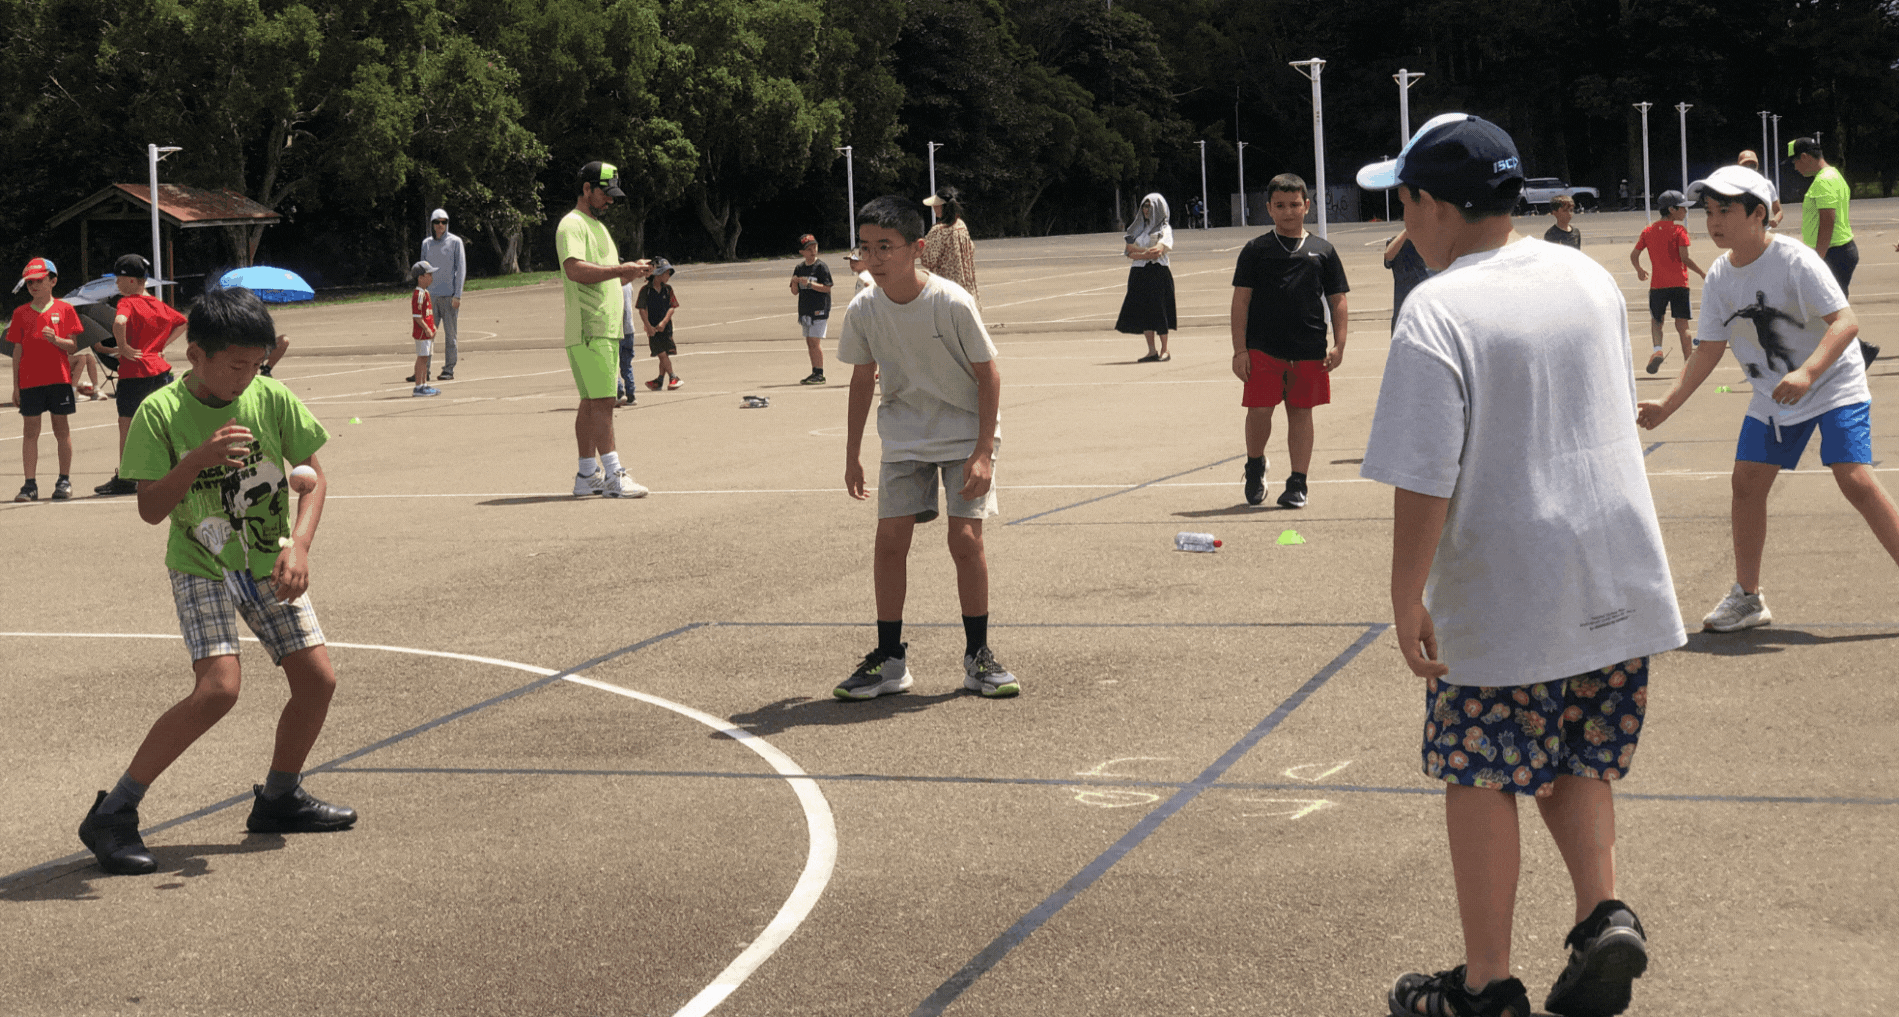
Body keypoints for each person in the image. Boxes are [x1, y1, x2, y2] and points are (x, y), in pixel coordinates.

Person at [1357, 112, 1685, 1017]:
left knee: (1481, 767)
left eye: (1402, 201)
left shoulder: (1438, 308)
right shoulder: (1584, 277)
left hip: (1506, 586)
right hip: (1612, 571)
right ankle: (1601, 914)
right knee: (1580, 750)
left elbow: (1424, 472)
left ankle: (1485, 983)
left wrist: (1405, 594)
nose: (1401, 221)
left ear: (1433, 204)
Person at [77, 284, 356, 877]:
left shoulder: (270, 397)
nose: (246, 377)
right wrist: (197, 460)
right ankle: (114, 811)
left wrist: (301, 546)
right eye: (235, 365)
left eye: (256, 364)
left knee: (317, 681)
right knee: (219, 689)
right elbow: (151, 509)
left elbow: (314, 477)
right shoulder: (159, 412)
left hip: (268, 559)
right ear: (195, 355)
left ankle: (279, 798)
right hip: (201, 561)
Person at [1638, 164, 1899, 634]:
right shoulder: (1720, 275)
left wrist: (1808, 372)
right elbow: (1708, 349)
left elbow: (1846, 322)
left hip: (1832, 382)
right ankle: (1748, 597)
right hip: (1774, 392)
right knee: (1746, 483)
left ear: (1759, 214)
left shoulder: (1795, 260)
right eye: (1709, 212)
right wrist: (1666, 404)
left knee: (1855, 479)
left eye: (1725, 211)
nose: (1714, 222)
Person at [835, 195, 1018, 701]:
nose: (874, 258)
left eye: (885, 247)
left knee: (965, 539)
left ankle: (978, 656)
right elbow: (861, 379)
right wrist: (852, 454)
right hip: (904, 434)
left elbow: (989, 375)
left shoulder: (950, 301)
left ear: (917, 248)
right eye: (865, 247)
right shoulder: (864, 308)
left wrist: (982, 451)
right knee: (890, 541)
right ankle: (889, 659)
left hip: (963, 431)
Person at [1229, 173, 1349, 509]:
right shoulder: (1256, 251)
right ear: (1269, 208)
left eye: (1294, 204)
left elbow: (1338, 300)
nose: (1288, 211)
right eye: (1280, 205)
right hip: (1263, 349)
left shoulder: (1323, 251)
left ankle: (1298, 483)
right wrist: (1240, 350)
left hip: (1309, 349)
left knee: (1300, 413)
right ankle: (1255, 465)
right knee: (1259, 411)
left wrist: (1339, 344)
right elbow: (1241, 301)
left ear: (1307, 205)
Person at [556, 160, 652, 498]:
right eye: (605, 193)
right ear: (586, 189)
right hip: (591, 328)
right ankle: (614, 475)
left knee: (591, 402)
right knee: (604, 402)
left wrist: (630, 272)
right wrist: (619, 270)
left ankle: (587, 475)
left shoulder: (598, 228)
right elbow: (575, 270)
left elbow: (606, 276)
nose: (610, 200)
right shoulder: (572, 224)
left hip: (602, 328)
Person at [95, 254, 189, 496]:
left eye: (119, 279)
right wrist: (162, 345)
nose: (117, 283)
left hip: (135, 372)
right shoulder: (158, 304)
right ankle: (170, 470)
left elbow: (119, 322)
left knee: (127, 424)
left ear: (132, 281)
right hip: (160, 371)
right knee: (163, 423)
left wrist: (123, 346)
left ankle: (127, 477)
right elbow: (182, 322)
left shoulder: (127, 302)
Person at [1791, 136, 1879, 368]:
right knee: (1826, 311)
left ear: (1805, 157)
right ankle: (1855, 353)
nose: (1795, 168)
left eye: (1795, 162)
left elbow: (1827, 220)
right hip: (1837, 252)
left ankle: (1858, 353)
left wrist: (1818, 258)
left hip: (1832, 254)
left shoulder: (1824, 180)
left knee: (1826, 312)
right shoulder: (1833, 175)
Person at [7, 257, 83, 501]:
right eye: (29, 282)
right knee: (30, 432)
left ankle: (64, 480)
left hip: (59, 379)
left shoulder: (65, 309)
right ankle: (29, 484)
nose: (34, 286)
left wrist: (56, 340)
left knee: (61, 429)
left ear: (53, 281)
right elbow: (17, 350)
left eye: (39, 281)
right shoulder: (20, 313)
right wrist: (16, 385)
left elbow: (73, 346)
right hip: (30, 381)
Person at [1629, 191, 1706, 375]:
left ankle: (1658, 350)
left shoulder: (1648, 231)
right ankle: (1688, 364)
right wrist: (1703, 273)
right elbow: (1685, 258)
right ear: (1672, 209)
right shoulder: (1679, 231)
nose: (1685, 211)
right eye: (1683, 208)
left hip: (1658, 285)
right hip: (1680, 284)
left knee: (1657, 321)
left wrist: (1639, 269)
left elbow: (1634, 254)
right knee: (1683, 326)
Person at [1115, 192, 1178, 363]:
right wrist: (1145, 254)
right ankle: (1151, 350)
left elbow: (1159, 251)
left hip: (1158, 272)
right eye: (1144, 206)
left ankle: (1165, 349)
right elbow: (1128, 250)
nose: (1146, 210)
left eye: (1150, 207)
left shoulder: (1164, 229)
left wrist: (1140, 253)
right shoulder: (1134, 228)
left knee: (1160, 310)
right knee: (1143, 311)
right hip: (1138, 272)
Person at [419, 208, 466, 380]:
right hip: (431, 296)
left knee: (450, 335)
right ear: (432, 224)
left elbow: (460, 269)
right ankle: (425, 369)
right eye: (437, 222)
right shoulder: (426, 244)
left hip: (449, 296)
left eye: (443, 222)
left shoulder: (455, 242)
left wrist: (457, 295)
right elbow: (423, 270)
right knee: (427, 335)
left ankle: (449, 369)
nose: (440, 225)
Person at [920, 186, 979, 303]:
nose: (933, 207)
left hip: (946, 289)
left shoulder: (939, 231)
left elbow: (928, 260)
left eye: (935, 205)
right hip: (965, 287)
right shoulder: (961, 225)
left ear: (941, 206)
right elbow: (971, 248)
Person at [791, 234, 834, 385]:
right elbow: (795, 292)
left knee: (815, 341)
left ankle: (820, 373)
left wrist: (810, 284)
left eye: (814, 247)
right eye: (809, 249)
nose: (813, 251)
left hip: (819, 309)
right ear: (802, 252)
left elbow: (827, 287)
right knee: (810, 342)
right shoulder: (800, 268)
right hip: (806, 310)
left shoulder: (821, 267)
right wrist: (795, 282)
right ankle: (815, 371)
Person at [637, 258, 680, 391]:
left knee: (665, 353)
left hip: (666, 327)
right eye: (666, 273)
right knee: (661, 353)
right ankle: (673, 376)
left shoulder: (668, 289)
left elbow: (672, 307)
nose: (668, 276)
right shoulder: (646, 290)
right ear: (658, 274)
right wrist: (648, 326)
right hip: (653, 329)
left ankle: (660, 380)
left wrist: (664, 322)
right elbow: (642, 309)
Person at [409, 261, 441, 397]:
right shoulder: (419, 294)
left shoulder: (425, 292)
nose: (431, 278)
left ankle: (424, 384)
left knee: (425, 358)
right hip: (422, 332)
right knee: (421, 358)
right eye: (429, 275)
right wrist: (427, 328)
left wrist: (432, 326)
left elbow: (427, 313)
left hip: (427, 331)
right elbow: (417, 316)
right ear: (420, 278)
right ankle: (418, 386)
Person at [1385, 228, 1431, 320]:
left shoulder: (1431, 243)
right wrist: (1407, 232)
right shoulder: (1398, 243)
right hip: (1403, 309)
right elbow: (1388, 257)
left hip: (1426, 308)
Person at [1735, 150, 1783, 227]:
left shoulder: (1767, 184)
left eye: (1752, 166)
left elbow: (1778, 211)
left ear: (1757, 166)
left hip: (1762, 231)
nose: (1749, 169)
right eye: (1745, 167)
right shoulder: (1733, 187)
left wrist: (1776, 220)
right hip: (1740, 232)